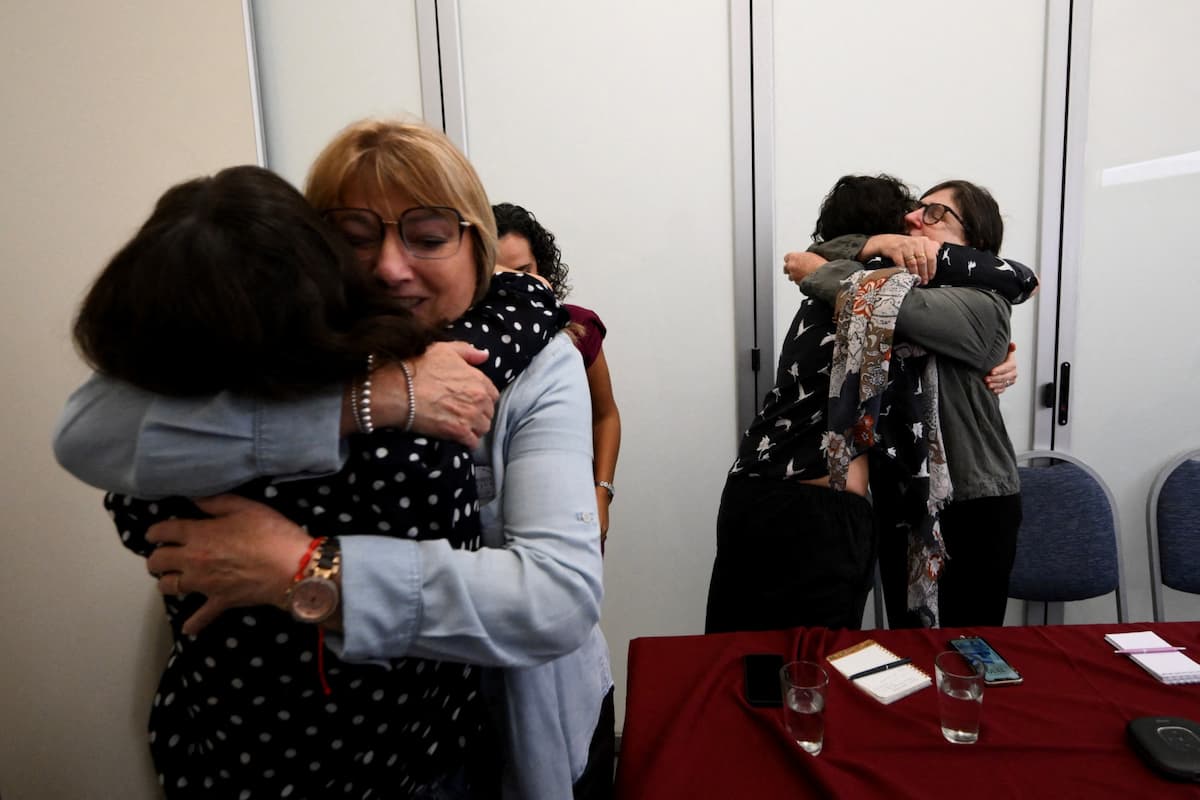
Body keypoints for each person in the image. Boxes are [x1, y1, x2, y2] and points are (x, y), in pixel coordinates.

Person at [54, 120, 613, 800]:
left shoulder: (528, 348)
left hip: (445, 745)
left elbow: (556, 599)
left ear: (479, 246)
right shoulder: (272, 341)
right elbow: (87, 433)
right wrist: (370, 401)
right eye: (351, 238)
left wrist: (303, 570)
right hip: (240, 754)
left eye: (429, 238)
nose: (387, 266)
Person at [705, 175, 1036, 634]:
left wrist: (819, 268)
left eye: (936, 213)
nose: (915, 220)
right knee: (907, 646)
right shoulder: (901, 283)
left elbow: (882, 300)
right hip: (896, 496)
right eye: (914, 212)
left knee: (966, 648)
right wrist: (871, 244)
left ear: (975, 238)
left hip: (972, 497)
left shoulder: (982, 300)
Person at [493, 202, 622, 551]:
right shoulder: (465, 338)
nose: (514, 285)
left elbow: (606, 415)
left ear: (542, 266)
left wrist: (602, 493)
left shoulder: (577, 326)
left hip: (570, 504)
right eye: (499, 275)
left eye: (524, 270)